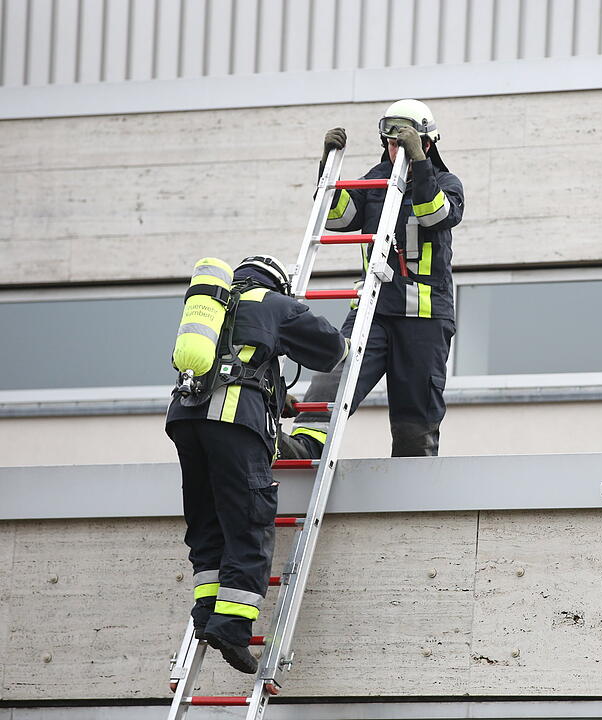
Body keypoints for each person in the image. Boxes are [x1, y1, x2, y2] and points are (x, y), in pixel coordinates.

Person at [166, 255, 347, 674]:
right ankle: (231, 629)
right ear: (278, 283)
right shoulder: (274, 302)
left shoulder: (212, 305)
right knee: (249, 521)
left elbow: (233, 361)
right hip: (234, 422)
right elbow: (330, 349)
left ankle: (207, 612)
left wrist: (277, 397)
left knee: (207, 521)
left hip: (186, 419)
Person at [279, 99, 464, 460]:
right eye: (392, 143)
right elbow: (335, 218)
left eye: (405, 142)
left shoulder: (446, 183)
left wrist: (421, 167)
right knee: (333, 375)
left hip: (422, 319)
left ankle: (413, 481)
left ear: (427, 143)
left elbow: (434, 215)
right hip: (373, 310)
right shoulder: (374, 180)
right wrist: (326, 169)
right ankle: (303, 447)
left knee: (416, 412)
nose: (397, 150)